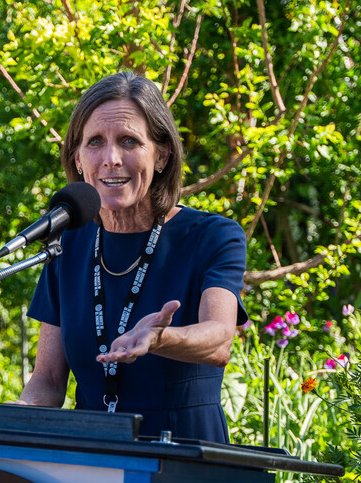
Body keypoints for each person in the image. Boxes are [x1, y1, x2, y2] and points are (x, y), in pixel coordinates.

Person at [17, 71, 247, 442]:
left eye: (129, 141)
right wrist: (13, 418)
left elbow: (219, 340)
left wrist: (160, 339)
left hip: (184, 459)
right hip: (91, 458)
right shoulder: (68, 243)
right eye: (95, 142)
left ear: (162, 155)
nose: (110, 158)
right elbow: (48, 380)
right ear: (77, 159)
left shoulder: (212, 236)